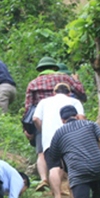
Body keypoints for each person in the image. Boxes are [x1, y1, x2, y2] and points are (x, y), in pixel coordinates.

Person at [24, 57, 87, 191]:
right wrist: (76, 80)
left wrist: (31, 129)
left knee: (42, 153)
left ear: (40, 70)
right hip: (68, 119)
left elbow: (28, 108)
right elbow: (81, 93)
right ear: (54, 68)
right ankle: (70, 191)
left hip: (43, 120)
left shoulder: (33, 83)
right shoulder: (64, 79)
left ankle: (44, 179)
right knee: (67, 156)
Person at [33, 83, 85, 198]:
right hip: (71, 138)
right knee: (71, 168)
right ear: (69, 93)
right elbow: (81, 119)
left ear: (54, 92)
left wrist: (42, 130)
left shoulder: (44, 102)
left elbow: (35, 119)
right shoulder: (74, 102)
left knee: (54, 167)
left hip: (50, 139)